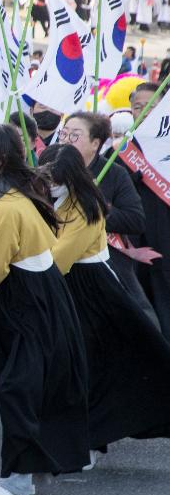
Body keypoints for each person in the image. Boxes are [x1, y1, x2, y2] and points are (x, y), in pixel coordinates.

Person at [0, 125, 89, 495]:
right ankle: (23, 472)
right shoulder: (10, 193)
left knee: (17, 388)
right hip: (28, 298)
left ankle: (17, 482)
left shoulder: (8, 205)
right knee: (22, 386)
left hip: (29, 301)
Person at [39, 144, 170, 466]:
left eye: (53, 177)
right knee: (89, 368)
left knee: (100, 365)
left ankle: (89, 440)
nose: (48, 182)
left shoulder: (84, 207)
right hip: (72, 288)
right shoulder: (56, 202)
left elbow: (60, 259)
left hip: (91, 291)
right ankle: (88, 438)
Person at [58, 111, 157, 325]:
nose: (66, 140)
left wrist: (94, 207)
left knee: (139, 320)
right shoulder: (52, 169)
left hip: (106, 259)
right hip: (61, 256)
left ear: (95, 143)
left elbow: (135, 220)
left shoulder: (114, 173)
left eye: (74, 135)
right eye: (63, 134)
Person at [125, 83, 170, 339]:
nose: (143, 112)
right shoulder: (124, 148)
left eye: (150, 106)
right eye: (137, 107)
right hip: (135, 242)